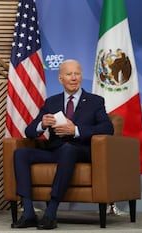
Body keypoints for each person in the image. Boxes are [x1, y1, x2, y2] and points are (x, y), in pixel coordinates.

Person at [11, 59, 114, 230]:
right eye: (69, 74)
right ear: (60, 79)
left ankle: (51, 212)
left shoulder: (95, 101)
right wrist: (42, 124)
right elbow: (29, 132)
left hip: (81, 151)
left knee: (68, 149)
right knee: (20, 153)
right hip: (55, 151)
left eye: (77, 73)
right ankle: (28, 212)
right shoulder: (51, 102)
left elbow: (107, 128)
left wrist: (75, 130)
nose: (74, 78)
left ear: (81, 76)